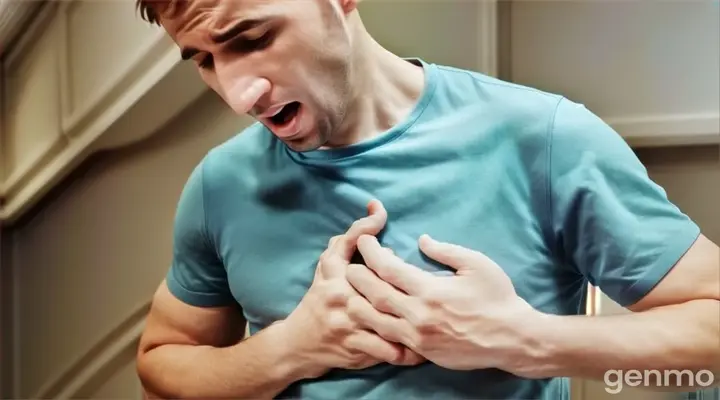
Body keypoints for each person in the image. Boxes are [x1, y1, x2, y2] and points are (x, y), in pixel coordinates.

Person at [134, 0, 720, 399]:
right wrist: (290, 349)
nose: (239, 95)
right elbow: (162, 363)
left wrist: (525, 340)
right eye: (205, 61)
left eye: (254, 39)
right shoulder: (220, 183)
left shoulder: (542, 138)